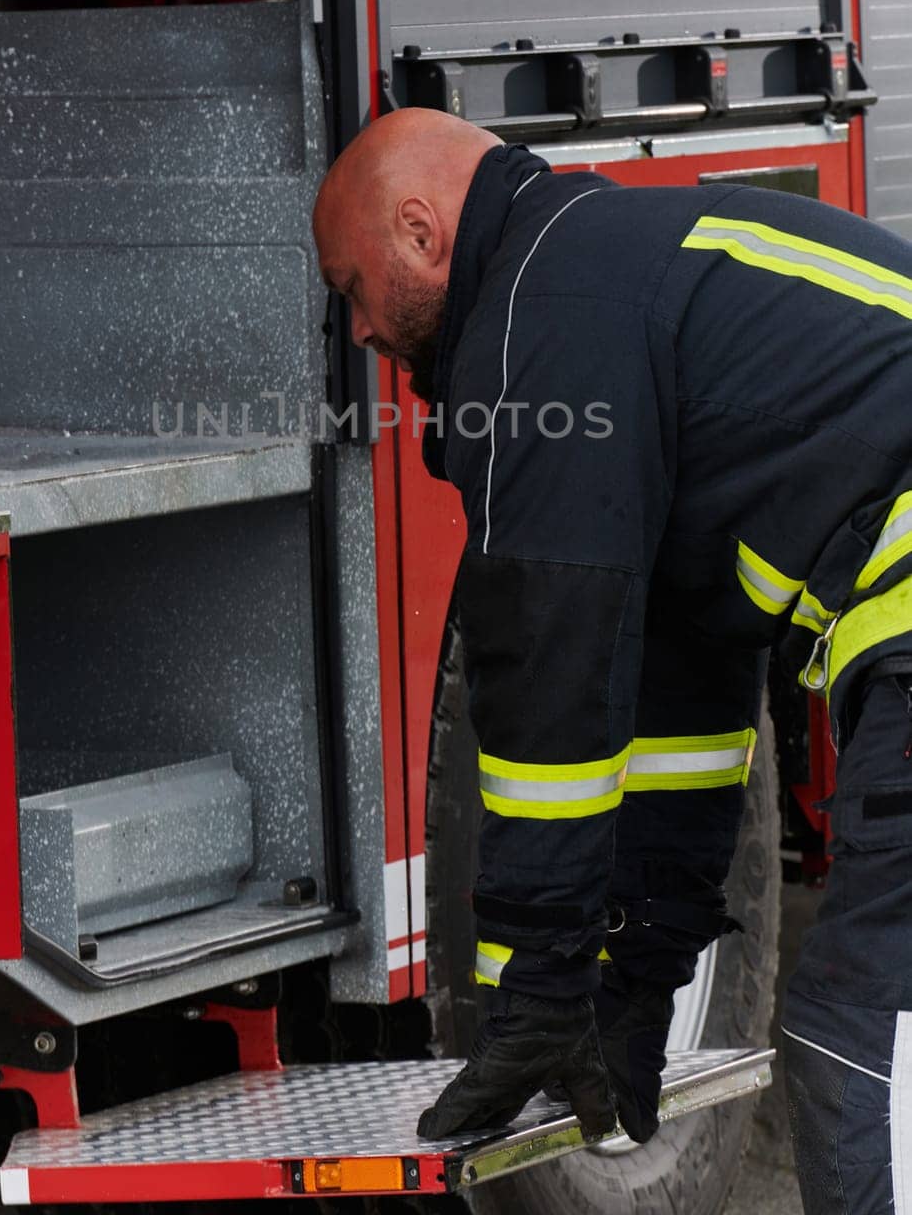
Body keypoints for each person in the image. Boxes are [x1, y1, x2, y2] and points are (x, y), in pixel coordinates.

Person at [312, 107, 912, 1214]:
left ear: (418, 231)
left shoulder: (539, 325)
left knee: (862, 1045)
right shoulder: (597, 275)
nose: (354, 331)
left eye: (349, 286)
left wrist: (535, 988)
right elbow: (682, 698)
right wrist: (635, 981)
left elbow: (549, 690)